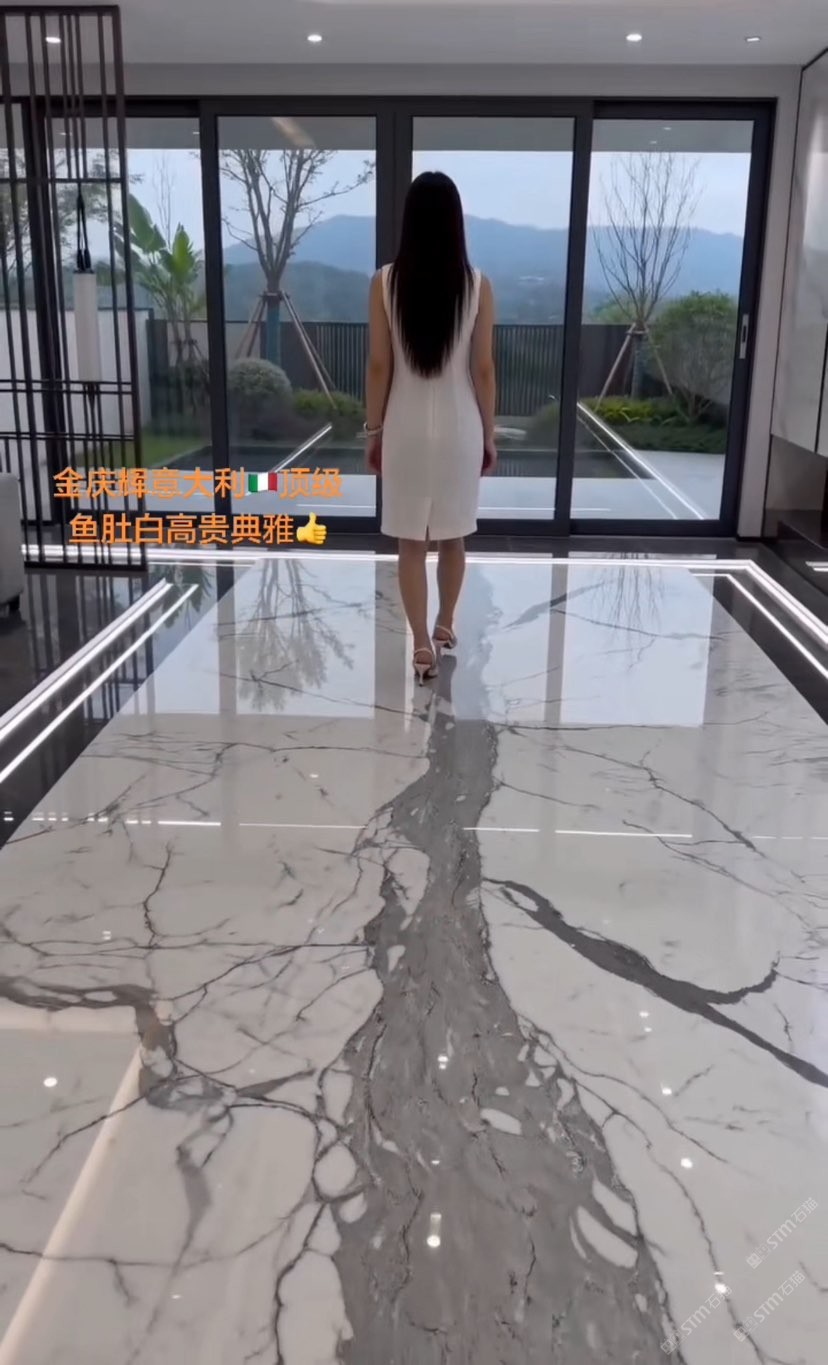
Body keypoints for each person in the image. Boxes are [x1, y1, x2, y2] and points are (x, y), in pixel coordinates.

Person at [364, 171, 497, 682]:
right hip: (461, 426)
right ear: (456, 223)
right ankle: (445, 624)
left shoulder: (384, 282)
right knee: (454, 534)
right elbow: (482, 369)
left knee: (411, 542)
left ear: (410, 222)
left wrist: (373, 431)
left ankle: (420, 644)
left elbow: (380, 365)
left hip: (405, 426)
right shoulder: (478, 285)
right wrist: (488, 435)